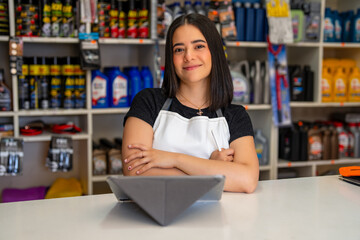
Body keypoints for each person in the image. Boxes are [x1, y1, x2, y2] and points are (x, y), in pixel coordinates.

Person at [122, 14, 259, 193]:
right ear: (171, 58)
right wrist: (213, 171)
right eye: (179, 49)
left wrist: (174, 159)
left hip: (217, 218)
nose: (188, 56)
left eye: (199, 46)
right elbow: (134, 172)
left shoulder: (235, 115)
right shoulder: (148, 102)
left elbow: (246, 180)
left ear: (214, 52)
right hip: (157, 214)